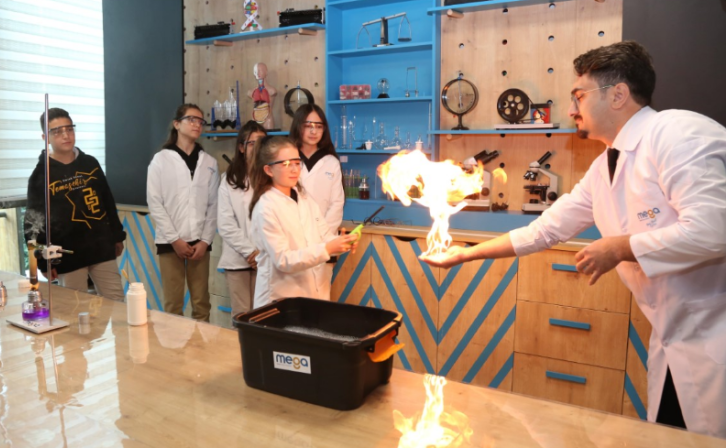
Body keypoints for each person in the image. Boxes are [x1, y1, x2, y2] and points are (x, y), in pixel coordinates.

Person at [422, 41, 726, 439]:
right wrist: (465, 254)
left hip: (715, 337)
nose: (570, 109)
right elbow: (544, 230)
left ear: (618, 95)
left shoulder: (678, 133)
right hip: (673, 342)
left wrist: (619, 247)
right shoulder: (604, 167)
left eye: (578, 96)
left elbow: (714, 229)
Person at [25, 107, 126, 301]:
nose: (66, 135)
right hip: (67, 254)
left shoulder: (90, 164)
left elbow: (107, 201)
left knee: (117, 303)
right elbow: (34, 223)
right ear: (45, 137)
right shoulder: (41, 175)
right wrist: (43, 260)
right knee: (75, 309)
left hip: (101, 247)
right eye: (57, 131)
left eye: (69, 129)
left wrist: (117, 235)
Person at [248, 136, 357, 308]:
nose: (294, 169)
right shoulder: (266, 207)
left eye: (297, 162)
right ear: (269, 170)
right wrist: (328, 249)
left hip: (312, 294)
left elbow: (323, 235)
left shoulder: (304, 197)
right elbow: (283, 260)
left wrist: (341, 243)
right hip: (280, 300)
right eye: (286, 164)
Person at [146, 104, 218, 321]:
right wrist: (175, 240)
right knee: (173, 304)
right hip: (170, 242)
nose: (197, 124)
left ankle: (202, 343)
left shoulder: (209, 162)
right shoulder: (161, 160)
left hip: (200, 242)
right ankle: (174, 343)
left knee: (201, 302)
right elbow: (155, 202)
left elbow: (213, 205)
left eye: (200, 121)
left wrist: (205, 241)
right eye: (191, 119)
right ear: (177, 124)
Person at [288, 104, 345, 291]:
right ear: (298, 126)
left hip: (324, 242)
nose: (314, 131)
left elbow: (337, 204)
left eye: (319, 126)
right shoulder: (287, 159)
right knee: (293, 298)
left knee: (320, 297)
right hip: (293, 244)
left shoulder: (331, 162)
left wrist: (320, 238)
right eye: (308, 125)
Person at [217, 121, 267, 320]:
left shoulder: (272, 177)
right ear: (241, 147)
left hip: (266, 257)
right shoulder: (229, 179)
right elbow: (225, 223)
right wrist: (250, 252)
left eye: (261, 142)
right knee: (242, 316)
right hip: (238, 258)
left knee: (263, 315)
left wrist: (261, 253)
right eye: (252, 143)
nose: (257, 148)